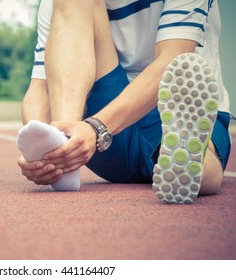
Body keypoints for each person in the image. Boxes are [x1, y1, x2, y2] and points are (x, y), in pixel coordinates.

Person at [16, 0, 232, 203]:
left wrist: (96, 128)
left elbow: (173, 59)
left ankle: (187, 164)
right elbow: (40, 88)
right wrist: (43, 154)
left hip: (173, 107)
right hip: (97, 137)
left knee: (195, 153)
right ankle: (66, 144)